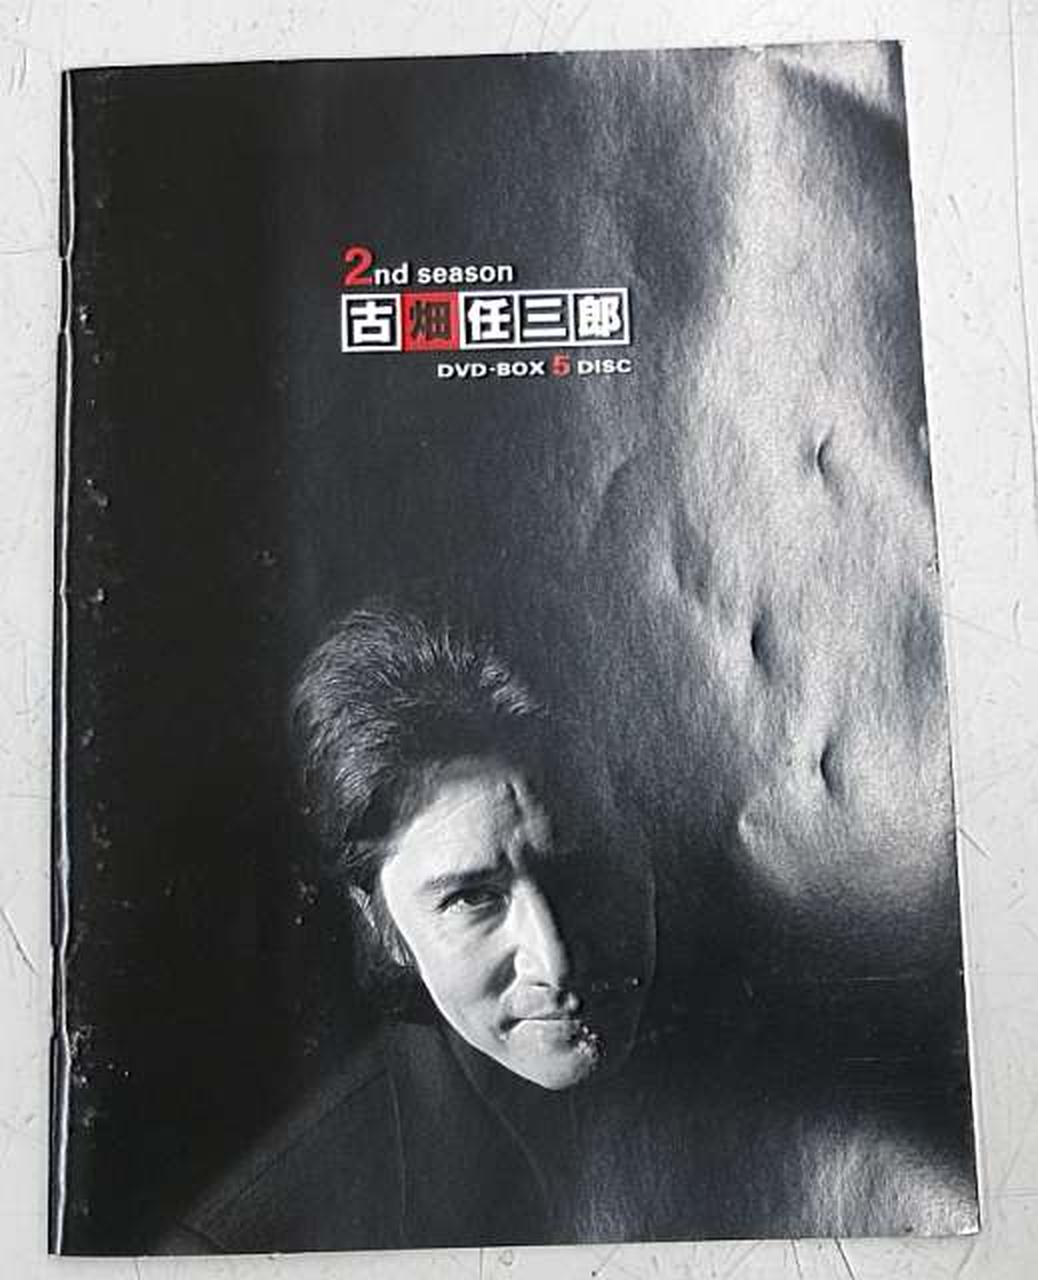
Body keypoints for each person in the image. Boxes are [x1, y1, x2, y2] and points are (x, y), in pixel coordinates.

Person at [161, 602, 662, 1252]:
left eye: (581, 870)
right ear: (383, 927)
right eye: (471, 899)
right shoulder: (245, 1249)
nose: (556, 960)